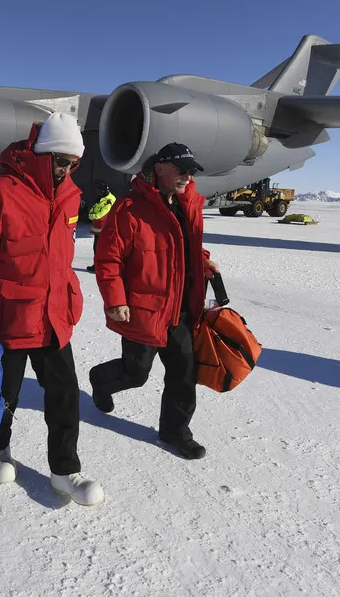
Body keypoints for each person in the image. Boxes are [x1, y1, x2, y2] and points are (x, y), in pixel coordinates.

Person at [0, 111, 103, 506]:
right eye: (61, 161)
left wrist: (70, 296)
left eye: (73, 163)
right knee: (4, 395)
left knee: (65, 396)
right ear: (42, 153)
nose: (66, 170)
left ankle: (64, 470)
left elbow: (62, 256)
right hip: (10, 317)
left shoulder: (70, 194)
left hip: (54, 316)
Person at [89, 143, 220, 460]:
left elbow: (188, 246)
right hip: (144, 309)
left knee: (184, 374)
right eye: (181, 170)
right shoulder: (130, 209)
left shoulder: (188, 204)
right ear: (159, 169)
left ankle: (175, 431)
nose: (187, 176)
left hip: (182, 309)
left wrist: (202, 261)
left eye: (191, 171)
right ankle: (101, 380)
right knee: (136, 373)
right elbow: (108, 260)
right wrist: (116, 300)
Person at [84, 180, 116, 273]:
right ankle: (98, 266)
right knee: (97, 248)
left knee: (101, 249)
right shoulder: (102, 198)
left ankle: (101, 267)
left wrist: (92, 216)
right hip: (98, 228)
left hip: (103, 228)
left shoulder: (109, 201)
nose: (98, 192)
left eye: (99, 191)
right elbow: (95, 208)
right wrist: (91, 214)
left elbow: (102, 213)